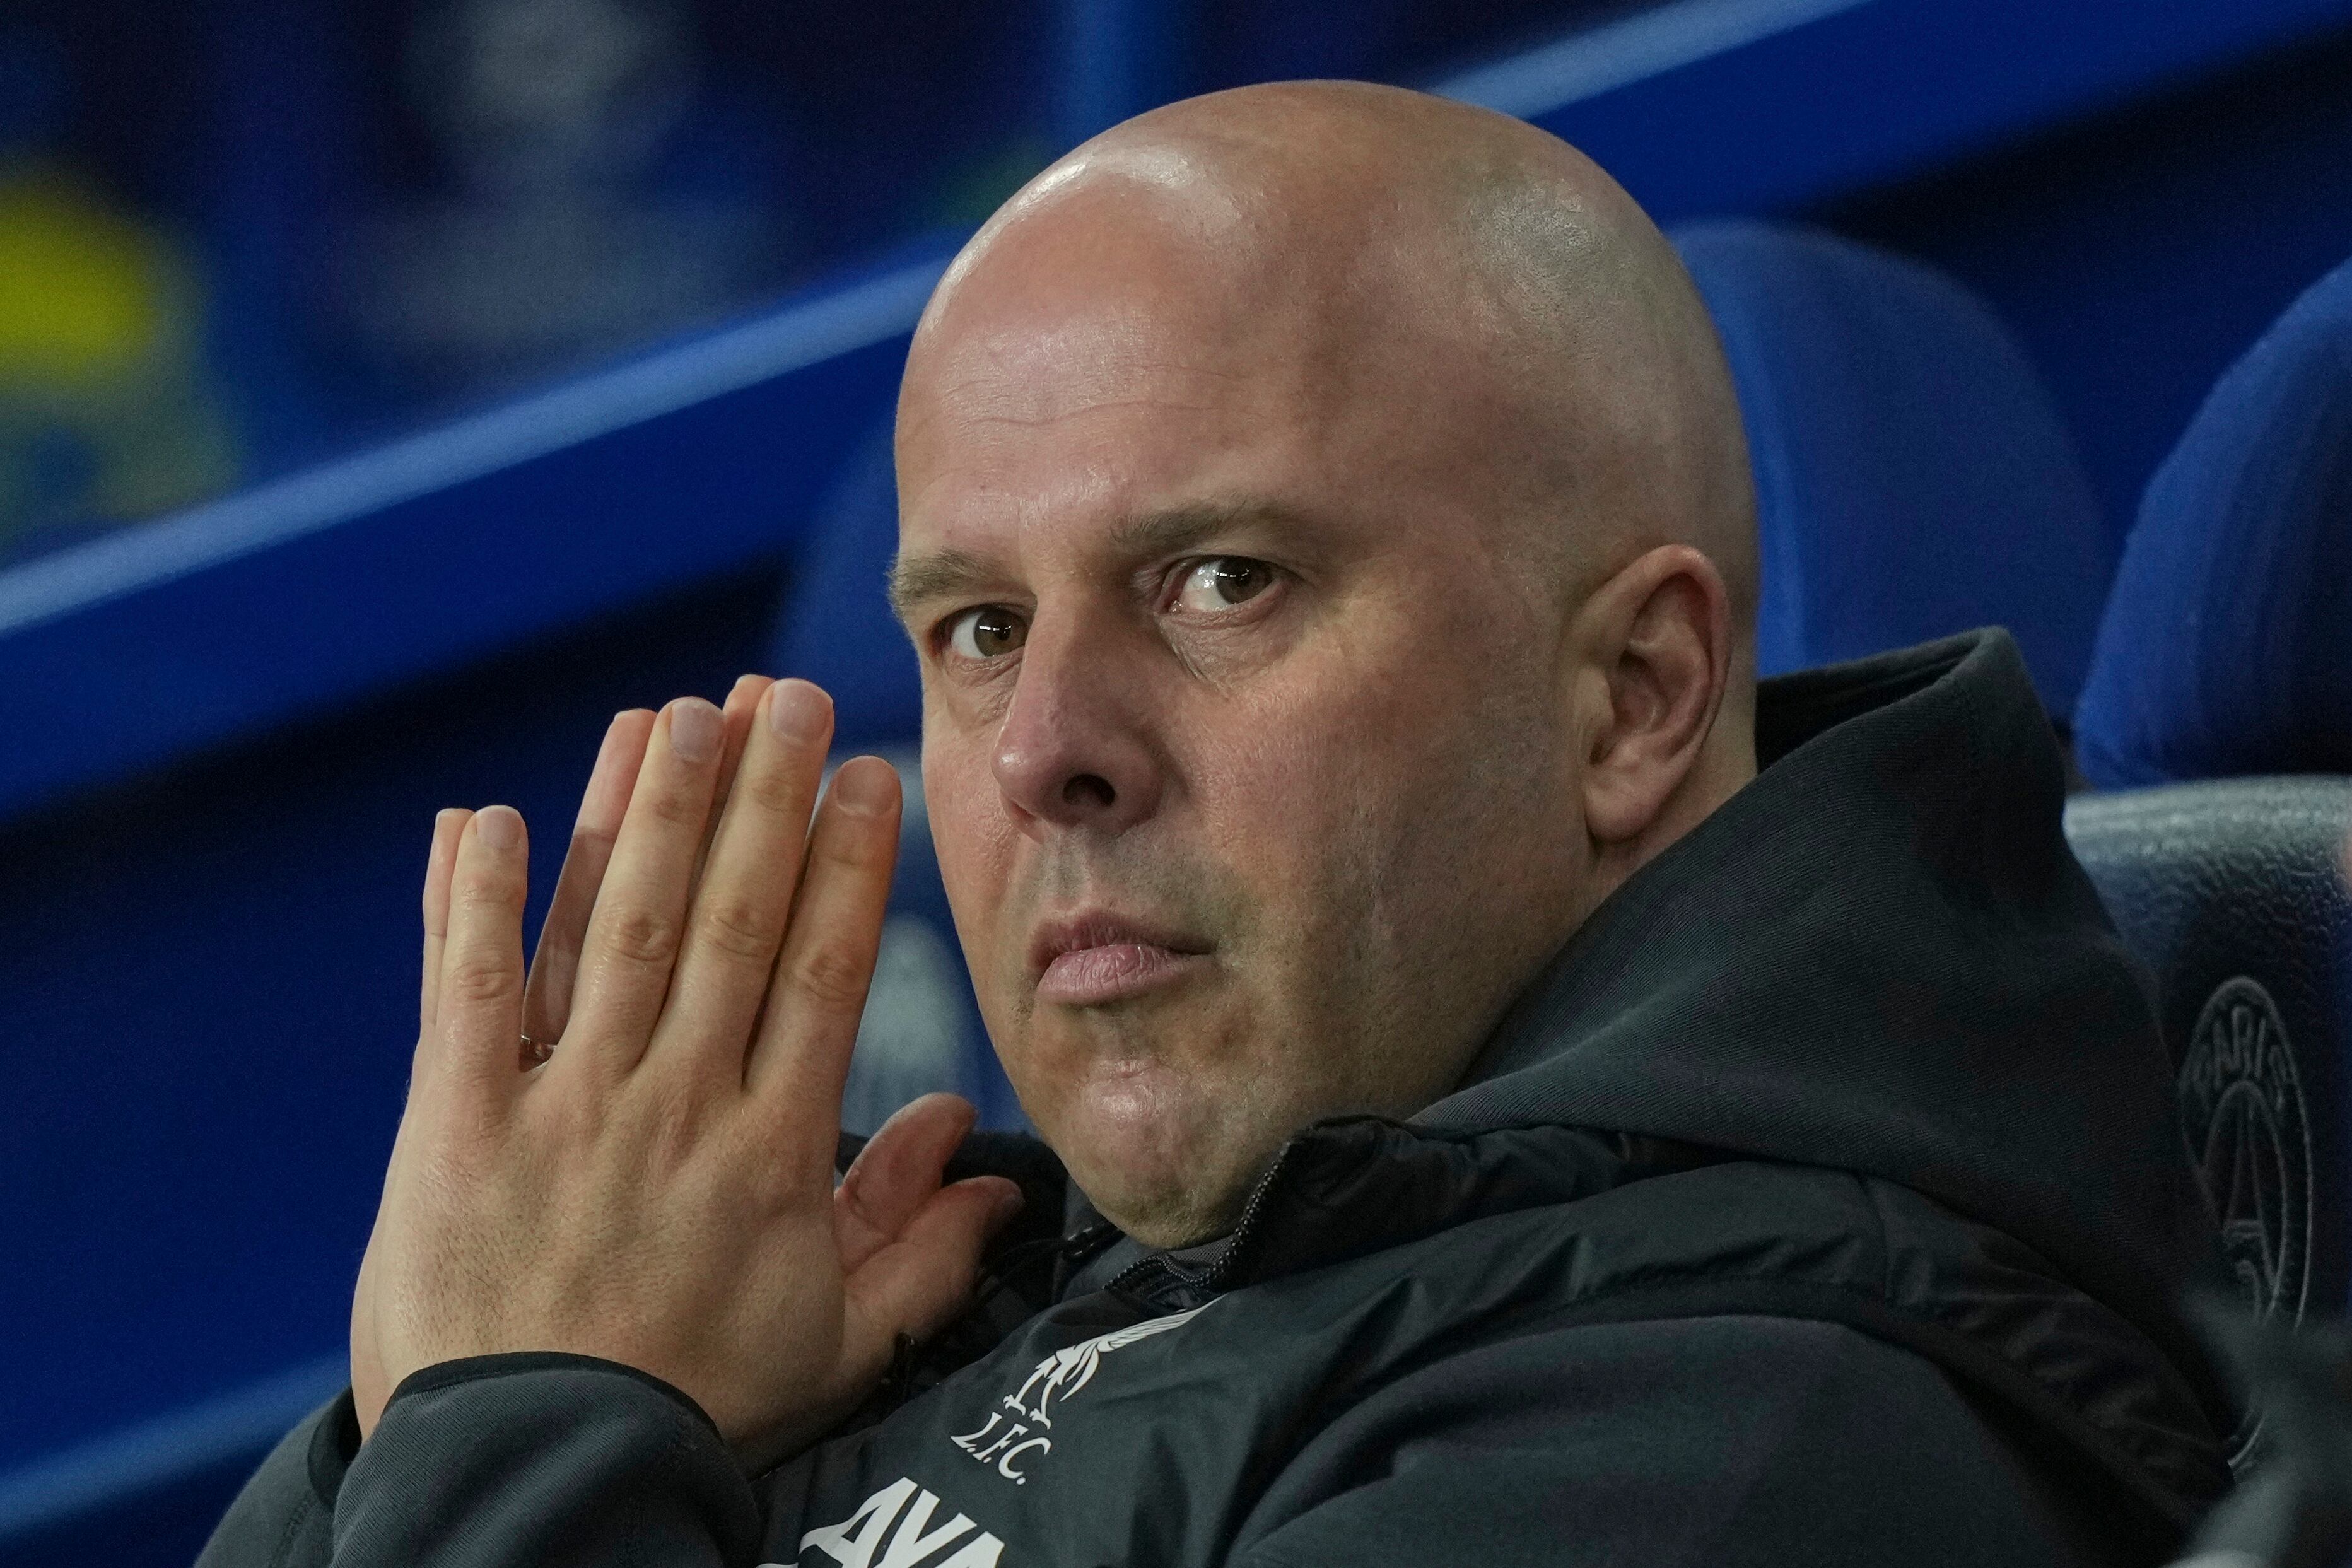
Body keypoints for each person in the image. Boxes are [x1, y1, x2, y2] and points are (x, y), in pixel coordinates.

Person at [201, 82, 2233, 1567]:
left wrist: (512, 1427)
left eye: (1220, 583)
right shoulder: (962, 1293)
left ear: (1631, 698)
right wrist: (428, 1429)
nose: (1042, 753)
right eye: (980, 627)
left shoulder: (1741, 1443)